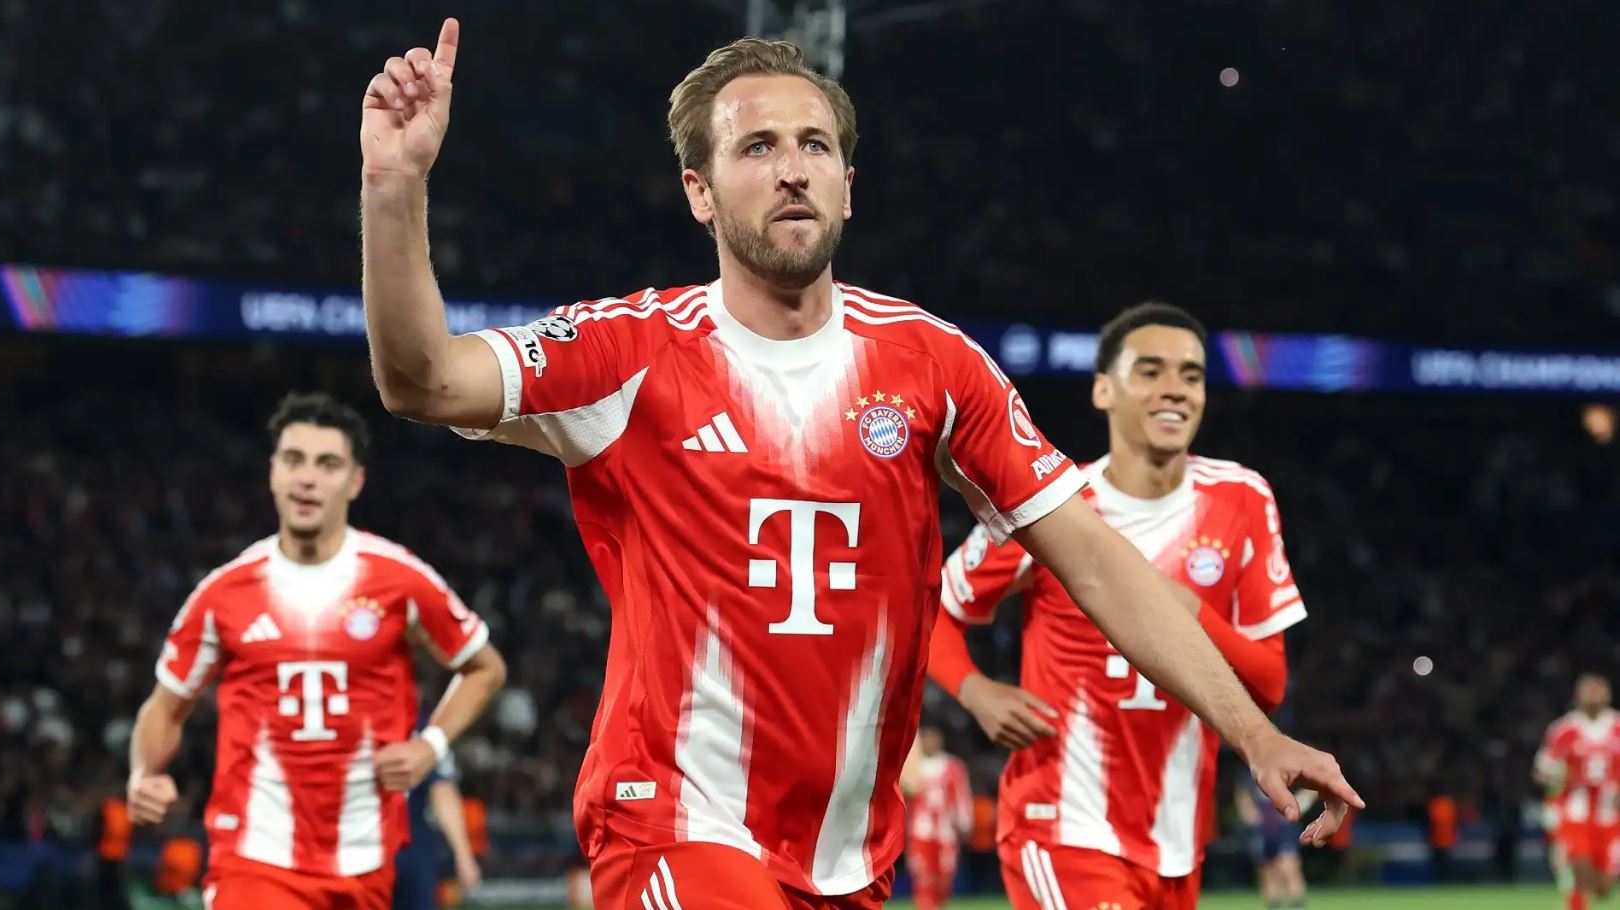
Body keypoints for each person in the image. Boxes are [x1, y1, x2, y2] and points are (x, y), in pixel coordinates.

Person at [357, 23, 1360, 909]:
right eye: (757, 146)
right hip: (675, 820)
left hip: (848, 855)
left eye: (815, 145)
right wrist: (395, 188)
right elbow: (423, 380)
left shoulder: (934, 364)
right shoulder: (628, 351)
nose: (793, 168)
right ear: (699, 192)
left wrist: (1254, 733)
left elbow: (1094, 559)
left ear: (848, 182)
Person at [929, 303, 1307, 910]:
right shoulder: (1053, 506)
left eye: (1191, 375)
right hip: (1062, 825)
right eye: (1150, 371)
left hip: (1177, 840)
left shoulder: (1241, 498)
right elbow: (935, 607)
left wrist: (1191, 613)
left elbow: (1269, 684)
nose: (1175, 389)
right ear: (1103, 389)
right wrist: (975, 691)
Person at [125, 393, 507, 910]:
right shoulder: (223, 594)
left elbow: (485, 668)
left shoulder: (400, 579)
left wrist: (430, 746)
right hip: (253, 857)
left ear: (355, 481)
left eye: (328, 464)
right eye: (294, 460)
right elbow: (166, 705)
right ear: (273, 473)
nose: (307, 478)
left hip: (365, 858)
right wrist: (143, 775)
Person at [1534, 673, 1620, 910]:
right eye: (1588, 692)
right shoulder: (1564, 729)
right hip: (1574, 814)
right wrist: (1555, 777)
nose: (1593, 697)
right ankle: (1572, 894)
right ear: (1578, 696)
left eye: (1598, 691)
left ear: (1608, 695)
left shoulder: (1617, 726)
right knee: (1581, 875)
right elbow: (1542, 771)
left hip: (1611, 816)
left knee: (1603, 888)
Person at [393, 713, 483, 910]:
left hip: (401, 846)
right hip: (406, 848)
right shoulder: (425, 729)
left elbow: (442, 789)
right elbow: (442, 788)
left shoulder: (424, 729)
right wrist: (463, 855)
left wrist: (463, 855)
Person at [899, 727, 971, 910]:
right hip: (920, 830)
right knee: (923, 875)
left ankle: (938, 904)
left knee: (945, 875)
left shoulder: (952, 765)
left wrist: (964, 822)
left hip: (946, 830)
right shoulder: (913, 767)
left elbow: (961, 795)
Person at [1234, 774, 1312, 910]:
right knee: (1268, 871)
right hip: (1262, 829)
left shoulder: (1290, 772)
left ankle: (1298, 905)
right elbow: (1243, 797)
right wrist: (1250, 814)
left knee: (1289, 867)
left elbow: (1311, 790)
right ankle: (1274, 905)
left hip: (1285, 828)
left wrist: (1295, 808)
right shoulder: (1251, 775)